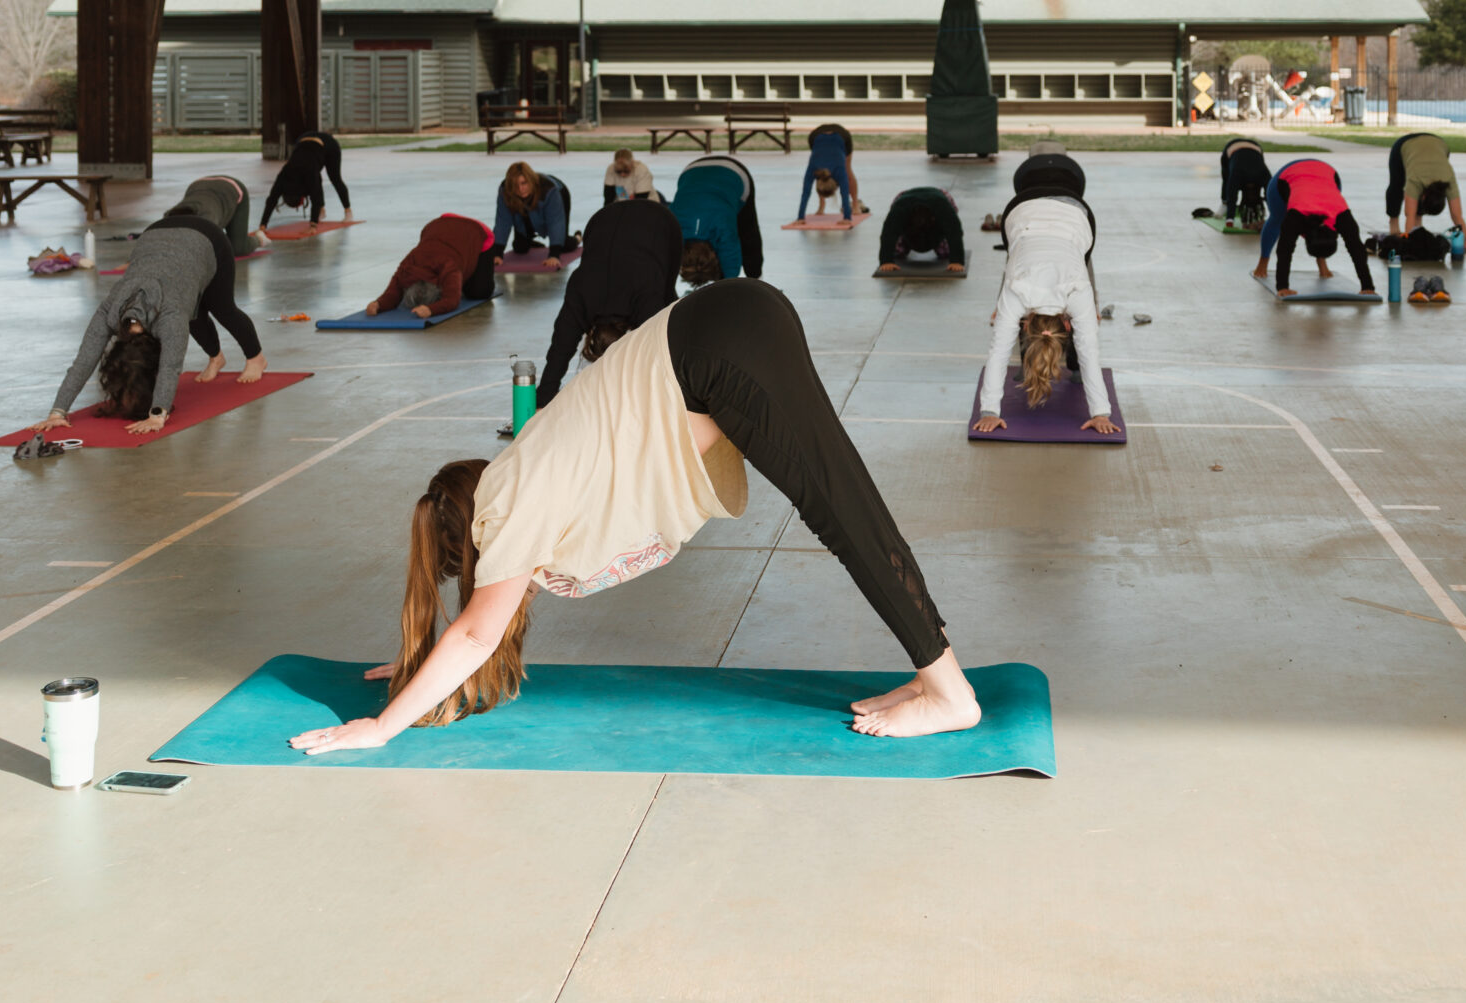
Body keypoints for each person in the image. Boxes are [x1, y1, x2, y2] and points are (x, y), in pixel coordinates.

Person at [287, 279, 980, 753]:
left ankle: (950, 694)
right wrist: (417, 663)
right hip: (724, 323)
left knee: (843, 511)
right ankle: (932, 677)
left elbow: (475, 632)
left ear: (474, 544)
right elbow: (481, 620)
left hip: (718, 344)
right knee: (842, 503)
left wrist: (383, 726)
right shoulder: (530, 482)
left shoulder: (506, 502)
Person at [37, 177, 268, 438]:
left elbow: (171, 367)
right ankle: (217, 358)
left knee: (221, 307)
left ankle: (256, 358)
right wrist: (57, 411)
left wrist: (158, 414)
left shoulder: (168, 317)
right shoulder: (108, 312)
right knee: (190, 310)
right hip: (157, 234)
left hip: (207, 239)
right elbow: (83, 362)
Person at [973, 152, 1118, 436]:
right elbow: (1089, 353)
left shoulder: (1069, 295)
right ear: (1026, 325)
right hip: (1028, 212)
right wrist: (1100, 413)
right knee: (1023, 254)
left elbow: (998, 353)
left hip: (1066, 214)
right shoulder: (1021, 297)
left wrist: (990, 411)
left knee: (1024, 256)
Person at [537, 198, 682, 407]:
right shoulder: (581, 294)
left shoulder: (646, 301)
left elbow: (660, 351)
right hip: (601, 220)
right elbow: (560, 348)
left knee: (668, 310)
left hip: (661, 223)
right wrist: (543, 400)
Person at [1252, 158, 1376, 297]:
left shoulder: (1343, 217)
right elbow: (1284, 249)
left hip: (1327, 173)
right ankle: (1263, 260)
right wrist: (1282, 286)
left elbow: (1357, 249)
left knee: (1333, 239)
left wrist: (1367, 286)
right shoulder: (1295, 216)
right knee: (1277, 219)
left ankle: (1321, 262)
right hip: (1285, 178)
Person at [368, 212, 498, 319]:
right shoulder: (409, 264)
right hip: (437, 226)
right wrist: (378, 305)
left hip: (477, 231)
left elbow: (452, 300)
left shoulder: (448, 266)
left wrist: (431, 310)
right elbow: (393, 291)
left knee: (478, 292)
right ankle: (459, 280)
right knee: (459, 279)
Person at [674, 154, 764, 285]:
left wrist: (726, 287)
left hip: (734, 173)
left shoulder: (722, 226)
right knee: (737, 236)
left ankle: (758, 282)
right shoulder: (672, 228)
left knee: (748, 232)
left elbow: (731, 259)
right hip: (691, 171)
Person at [1384, 132, 1466, 241]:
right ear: (1423, 197)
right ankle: (1393, 223)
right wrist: (1409, 239)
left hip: (1439, 143)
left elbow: (1457, 214)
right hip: (1404, 144)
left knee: (1414, 196)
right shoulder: (1415, 179)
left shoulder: (1448, 179)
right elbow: (1410, 214)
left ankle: (1418, 226)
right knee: (1396, 186)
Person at [264, 130, 351, 226]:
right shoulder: (284, 175)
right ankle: (321, 210)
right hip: (305, 142)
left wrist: (313, 223)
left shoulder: (308, 171)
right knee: (314, 177)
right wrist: (263, 224)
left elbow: (315, 195)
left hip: (329, 145)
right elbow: (272, 199)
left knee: (335, 178)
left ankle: (348, 210)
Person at [875, 186, 966, 273]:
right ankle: (904, 241)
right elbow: (889, 231)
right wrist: (886, 261)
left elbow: (954, 230)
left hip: (938, 200)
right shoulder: (900, 208)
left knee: (946, 253)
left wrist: (956, 261)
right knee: (898, 252)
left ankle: (941, 242)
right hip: (906, 199)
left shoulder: (942, 206)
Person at [493, 162, 576, 257]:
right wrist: (497, 254)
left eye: (524, 183)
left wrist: (554, 255)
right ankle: (530, 240)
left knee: (564, 245)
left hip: (560, 194)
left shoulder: (549, 190)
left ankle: (577, 238)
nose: (520, 189)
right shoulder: (505, 190)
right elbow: (502, 221)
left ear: (531, 180)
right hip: (525, 206)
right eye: (516, 185)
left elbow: (555, 222)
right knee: (520, 247)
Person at [798, 122, 859, 219]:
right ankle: (823, 206)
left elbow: (806, 192)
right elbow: (844, 192)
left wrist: (800, 218)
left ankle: (856, 205)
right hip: (816, 135)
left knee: (846, 170)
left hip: (840, 136)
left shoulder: (838, 168)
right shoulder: (835, 170)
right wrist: (847, 218)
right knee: (825, 173)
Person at [1218, 136, 1270, 227]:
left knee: (1227, 180)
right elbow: (1231, 194)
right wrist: (1229, 219)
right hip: (1235, 148)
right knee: (1227, 179)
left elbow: (1271, 193)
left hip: (1253, 148)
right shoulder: (1262, 174)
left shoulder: (1261, 173)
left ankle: (1224, 204)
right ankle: (1224, 204)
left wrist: (1230, 220)